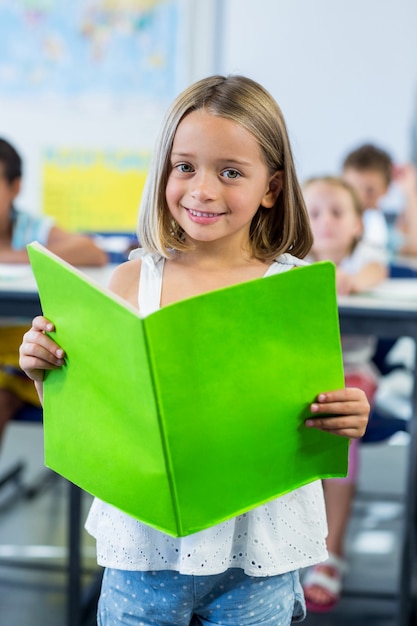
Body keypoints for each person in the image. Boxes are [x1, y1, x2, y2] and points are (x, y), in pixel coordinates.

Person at [19, 75, 370, 626]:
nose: (202, 190)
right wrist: (45, 373)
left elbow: (317, 405)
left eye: (230, 172)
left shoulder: (291, 289)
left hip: (259, 554)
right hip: (143, 550)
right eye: (184, 167)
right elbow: (96, 413)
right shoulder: (131, 282)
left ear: (272, 188)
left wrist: (346, 412)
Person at [301, 176, 387, 613]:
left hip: (354, 375)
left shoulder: (364, 258)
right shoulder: (292, 263)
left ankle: (330, 553)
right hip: (303, 378)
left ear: (358, 224)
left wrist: (349, 279)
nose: (326, 223)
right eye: (314, 213)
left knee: (338, 431)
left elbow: (378, 271)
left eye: (337, 213)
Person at [0, 137, 108, 447]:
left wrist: (11, 255)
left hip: (21, 350)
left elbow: (92, 252)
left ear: (15, 187)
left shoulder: (29, 227)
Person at [342, 142, 417, 256]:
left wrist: (410, 193)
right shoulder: (334, 223)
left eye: (370, 190)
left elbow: (414, 247)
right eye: (352, 188)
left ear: (386, 189)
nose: (360, 197)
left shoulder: (387, 229)